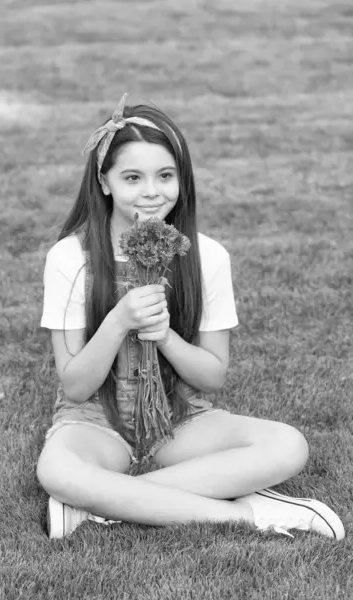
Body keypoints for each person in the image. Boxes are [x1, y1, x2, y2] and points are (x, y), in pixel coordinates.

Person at [37, 93, 345, 540]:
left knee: (288, 445)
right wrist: (119, 319)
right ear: (104, 182)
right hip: (95, 423)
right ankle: (249, 515)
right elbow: (76, 385)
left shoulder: (207, 256)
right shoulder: (71, 258)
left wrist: (165, 338)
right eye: (131, 177)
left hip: (180, 421)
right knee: (57, 469)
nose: (150, 191)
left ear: (182, 179)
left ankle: (102, 502)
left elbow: (212, 377)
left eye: (165, 175)